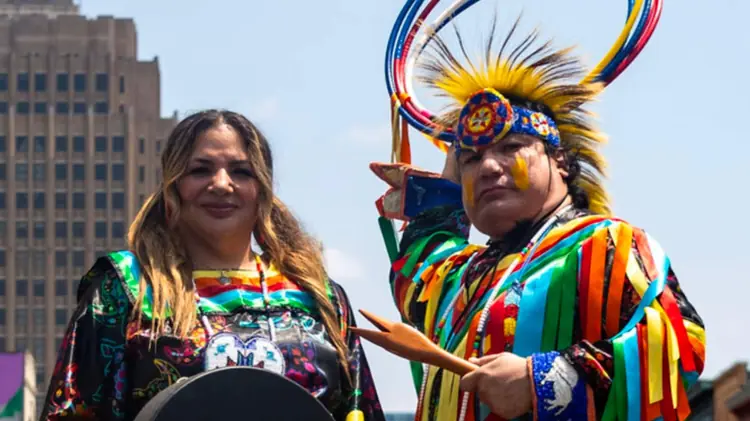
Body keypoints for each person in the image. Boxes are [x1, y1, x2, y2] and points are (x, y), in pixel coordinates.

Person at [368, 2, 705, 420]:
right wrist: (444, 193)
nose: (488, 167)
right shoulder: (460, 280)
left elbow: (679, 344)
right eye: (471, 159)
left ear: (559, 161)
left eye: (511, 147)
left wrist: (541, 380)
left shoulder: (607, 245)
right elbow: (418, 270)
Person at [39, 110, 385, 421]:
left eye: (241, 171)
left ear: (263, 189)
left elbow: (359, 409)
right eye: (200, 170)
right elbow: (72, 412)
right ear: (173, 185)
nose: (221, 184)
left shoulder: (316, 295)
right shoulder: (128, 286)